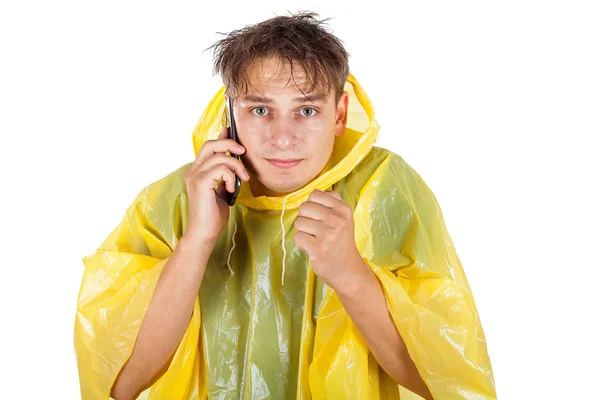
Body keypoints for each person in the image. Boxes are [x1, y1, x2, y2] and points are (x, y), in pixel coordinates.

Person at [74, 12, 496, 400]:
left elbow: (444, 382)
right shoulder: (176, 199)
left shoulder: (382, 188)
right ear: (231, 112)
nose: (282, 138)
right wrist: (197, 242)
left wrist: (350, 273)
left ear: (339, 112)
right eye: (260, 109)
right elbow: (121, 384)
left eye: (307, 110)